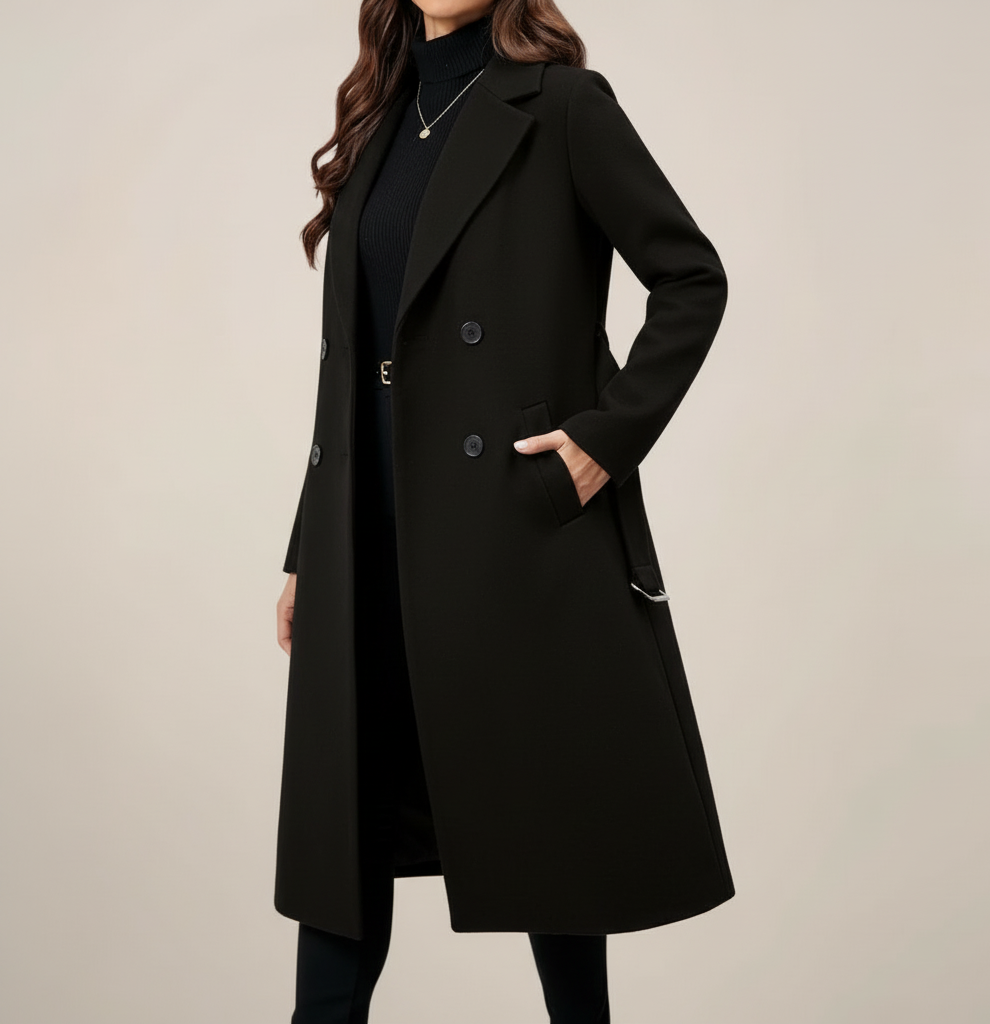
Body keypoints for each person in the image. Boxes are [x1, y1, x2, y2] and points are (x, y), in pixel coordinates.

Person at [275, 1, 735, 1021]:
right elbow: (351, 364)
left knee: (548, 847)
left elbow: (690, 278)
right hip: (363, 533)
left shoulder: (562, 106)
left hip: (501, 536)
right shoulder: (380, 118)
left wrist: (602, 442)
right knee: (344, 848)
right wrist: (308, 547)